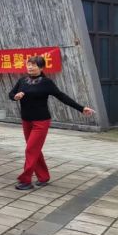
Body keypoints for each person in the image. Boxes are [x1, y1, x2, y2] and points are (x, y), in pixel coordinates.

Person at [9, 56, 94, 190]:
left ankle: (25, 180)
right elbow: (11, 94)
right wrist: (15, 97)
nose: (30, 67)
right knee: (35, 150)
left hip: (41, 121)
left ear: (41, 67)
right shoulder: (22, 81)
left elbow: (62, 96)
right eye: (28, 64)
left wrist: (82, 108)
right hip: (26, 120)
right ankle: (43, 177)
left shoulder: (46, 83)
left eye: (34, 65)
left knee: (30, 149)